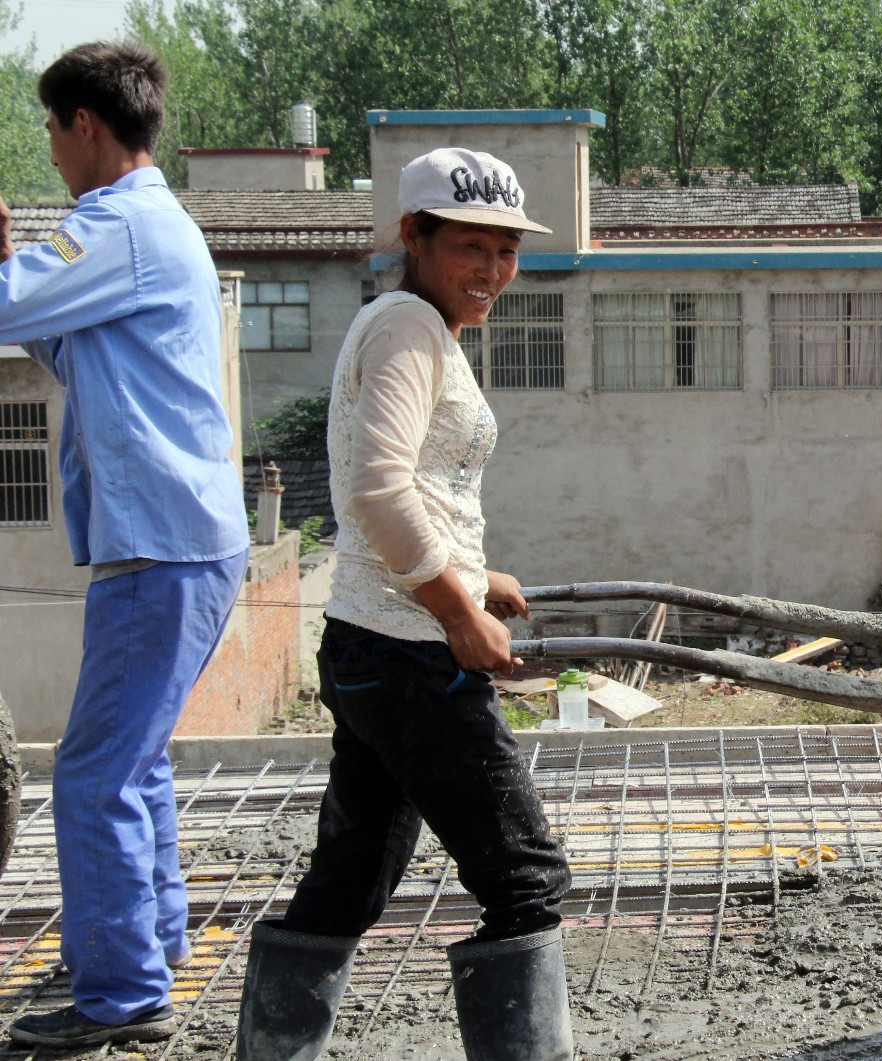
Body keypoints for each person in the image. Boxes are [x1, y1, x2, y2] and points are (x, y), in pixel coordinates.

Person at [235, 148, 574, 1061]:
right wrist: (459, 613)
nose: (493, 269)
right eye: (471, 246)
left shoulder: (416, 326)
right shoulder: (407, 331)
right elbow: (379, 491)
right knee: (527, 878)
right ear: (413, 236)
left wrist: (476, 575)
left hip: (372, 644)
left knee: (350, 879)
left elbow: (416, 489)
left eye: (507, 250)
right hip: (410, 653)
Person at [0, 43, 250, 1047]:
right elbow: (57, 339)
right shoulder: (150, 227)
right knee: (131, 763)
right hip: (183, 539)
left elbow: (8, 304)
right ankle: (150, 944)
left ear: (85, 124)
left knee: (94, 771)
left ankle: (122, 988)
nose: (51, 152)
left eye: (52, 131)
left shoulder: (117, 224)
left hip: (161, 546)